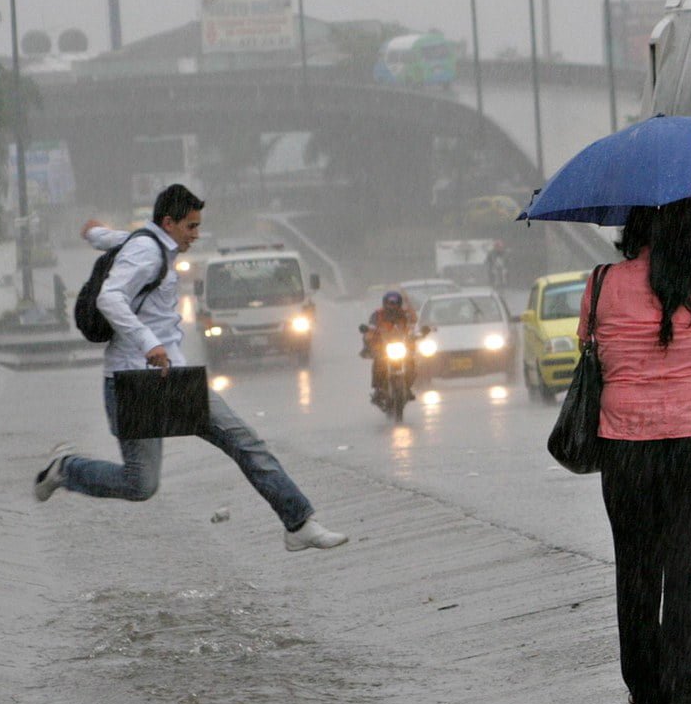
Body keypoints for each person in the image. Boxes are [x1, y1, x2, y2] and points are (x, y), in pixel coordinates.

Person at [34, 184, 347, 552]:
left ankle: (298, 522)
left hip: (172, 380)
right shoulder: (147, 252)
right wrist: (148, 342)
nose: (196, 236)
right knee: (141, 484)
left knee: (244, 441)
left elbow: (120, 240)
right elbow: (110, 297)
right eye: (191, 227)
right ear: (169, 223)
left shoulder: (151, 242)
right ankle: (66, 469)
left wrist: (94, 233)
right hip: (133, 382)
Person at [578, 198, 691, 704]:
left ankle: (650, 692)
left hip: (627, 446)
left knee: (638, 569)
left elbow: (593, 352)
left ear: (633, 228)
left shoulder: (602, 283)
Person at [362, 290, 418, 404]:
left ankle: (407, 387)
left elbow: (414, 323)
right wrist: (369, 336)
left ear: (400, 303)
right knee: (378, 362)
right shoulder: (377, 314)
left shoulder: (405, 314)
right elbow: (370, 329)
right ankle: (378, 389)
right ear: (385, 303)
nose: (392, 306)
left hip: (402, 346)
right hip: (383, 346)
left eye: (395, 303)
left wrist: (419, 333)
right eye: (389, 303)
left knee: (411, 363)